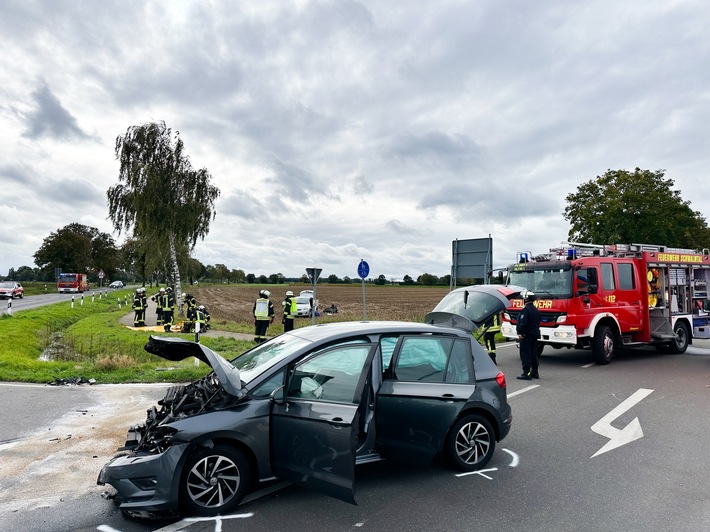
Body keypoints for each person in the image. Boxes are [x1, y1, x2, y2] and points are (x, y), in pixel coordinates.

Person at [516, 291, 541, 380]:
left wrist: (521, 333)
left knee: (525, 354)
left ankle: (526, 373)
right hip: (534, 335)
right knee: (534, 354)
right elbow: (538, 323)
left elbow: (523, 324)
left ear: (526, 299)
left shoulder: (525, 310)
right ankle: (535, 372)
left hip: (526, 336)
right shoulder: (536, 310)